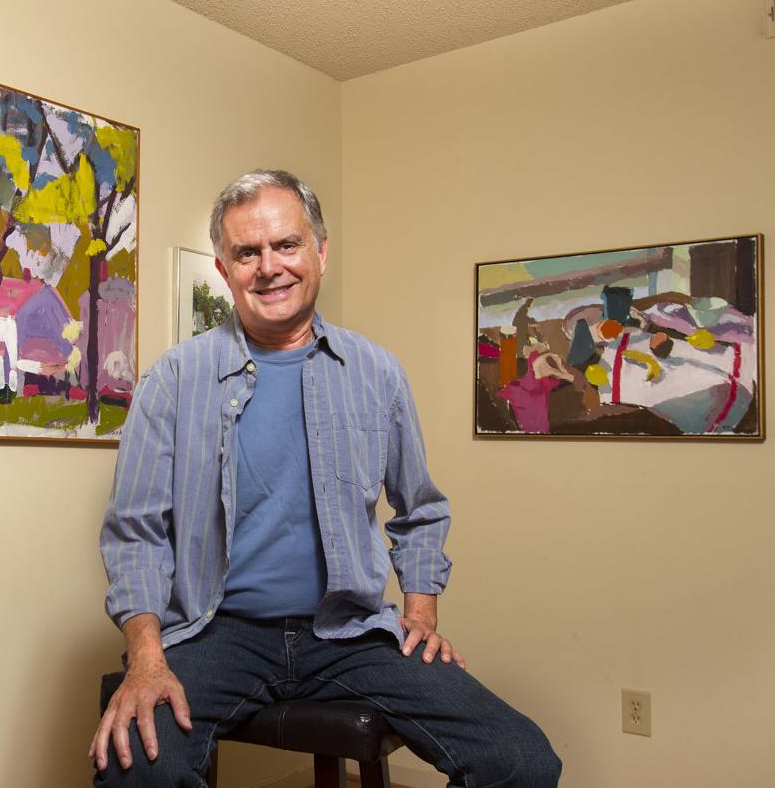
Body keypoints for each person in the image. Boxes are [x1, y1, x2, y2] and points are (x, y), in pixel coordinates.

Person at [91, 169, 561, 787]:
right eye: (247, 253)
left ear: (320, 251)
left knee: (523, 759)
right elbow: (135, 533)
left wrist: (421, 613)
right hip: (216, 631)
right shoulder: (174, 380)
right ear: (225, 269)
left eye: (287, 244)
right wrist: (147, 657)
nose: (270, 267)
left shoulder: (376, 372)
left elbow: (420, 508)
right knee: (134, 769)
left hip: (349, 632)